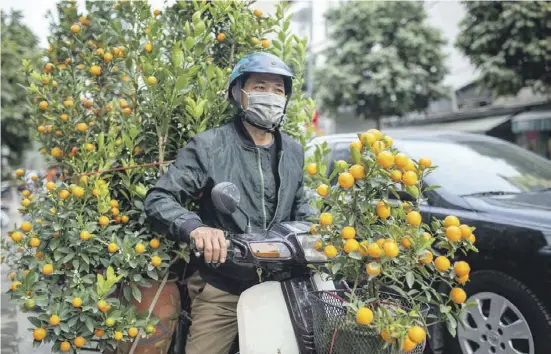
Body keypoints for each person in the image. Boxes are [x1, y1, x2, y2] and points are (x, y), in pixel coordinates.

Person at [144, 52, 313, 354]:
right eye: (260, 87)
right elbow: (159, 198)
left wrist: (323, 234)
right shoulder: (209, 146)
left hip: (282, 286)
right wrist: (196, 229)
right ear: (239, 93)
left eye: (278, 90)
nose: (271, 96)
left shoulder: (294, 151)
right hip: (223, 284)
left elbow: (302, 208)